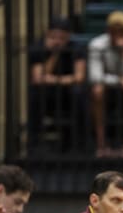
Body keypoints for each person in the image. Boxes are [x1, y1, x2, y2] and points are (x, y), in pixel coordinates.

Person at [88, 11, 123, 158]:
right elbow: (95, 77)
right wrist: (119, 80)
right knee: (97, 91)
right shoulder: (97, 45)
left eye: (122, 30)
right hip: (107, 87)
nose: (118, 34)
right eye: (115, 30)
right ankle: (101, 144)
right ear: (108, 30)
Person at [28, 16, 86, 151]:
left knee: (79, 92)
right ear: (47, 35)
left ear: (68, 36)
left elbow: (80, 77)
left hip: (68, 93)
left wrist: (53, 79)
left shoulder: (76, 48)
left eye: (62, 37)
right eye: (54, 36)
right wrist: (54, 54)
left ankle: (78, 142)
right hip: (48, 93)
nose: (58, 41)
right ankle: (34, 142)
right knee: (35, 94)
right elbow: (38, 78)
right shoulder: (38, 48)